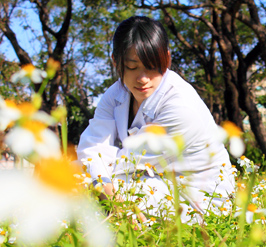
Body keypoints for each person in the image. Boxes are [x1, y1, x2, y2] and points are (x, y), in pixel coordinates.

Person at [77, 16, 234, 221]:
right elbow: (93, 148)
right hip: (152, 182)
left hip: (199, 199)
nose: (142, 78)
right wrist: (97, 175)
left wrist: (98, 180)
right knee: (81, 175)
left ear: (166, 60)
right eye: (132, 67)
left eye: (151, 67)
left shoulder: (181, 106)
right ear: (116, 62)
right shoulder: (115, 94)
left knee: (79, 177)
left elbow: (128, 162)